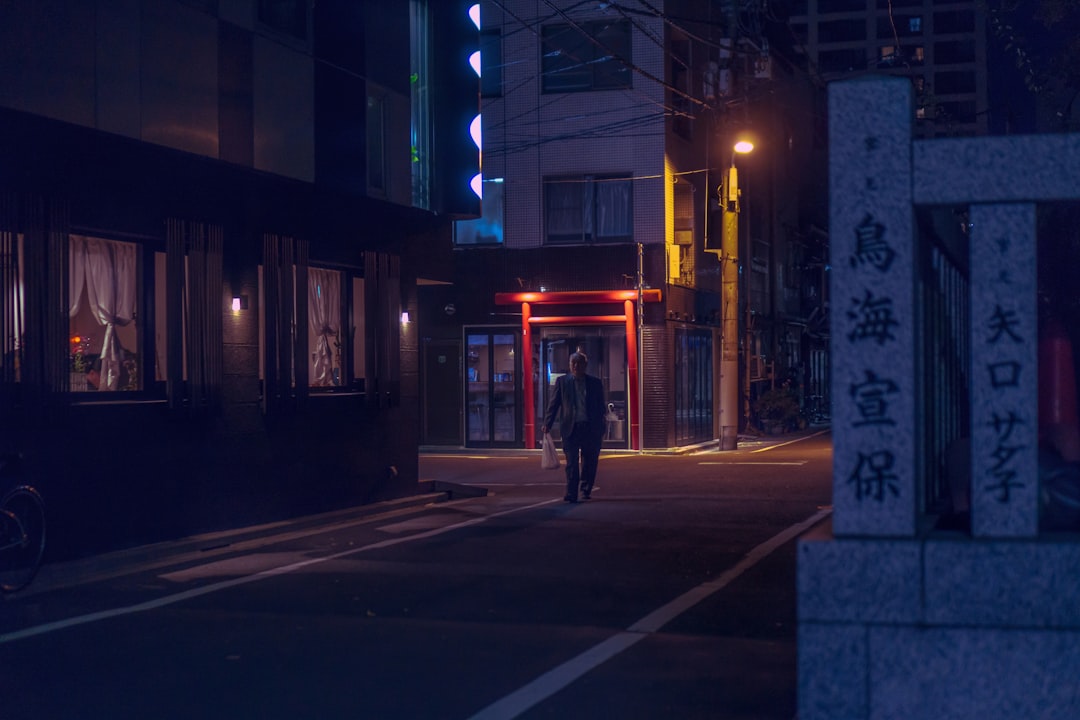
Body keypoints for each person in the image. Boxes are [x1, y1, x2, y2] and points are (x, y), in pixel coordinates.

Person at [541, 351, 605, 502]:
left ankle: (586, 489)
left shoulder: (595, 383)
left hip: (590, 428)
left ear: (585, 365)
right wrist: (547, 423)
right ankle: (571, 493)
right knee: (571, 463)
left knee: (590, 461)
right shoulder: (562, 382)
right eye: (573, 363)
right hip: (571, 427)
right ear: (570, 365)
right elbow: (554, 404)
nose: (576, 366)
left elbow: (600, 406)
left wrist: (601, 426)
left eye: (579, 363)